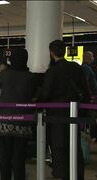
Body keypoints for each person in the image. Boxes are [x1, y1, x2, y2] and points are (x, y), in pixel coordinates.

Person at [41, 40, 90, 180]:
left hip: (56, 116)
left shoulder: (53, 71)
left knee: (59, 146)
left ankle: (63, 174)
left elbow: (46, 94)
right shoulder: (76, 68)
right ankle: (77, 175)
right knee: (75, 145)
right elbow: (85, 91)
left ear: (51, 52)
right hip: (74, 114)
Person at [0, 48, 37, 180]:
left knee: (5, 156)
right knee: (19, 157)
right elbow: (33, 95)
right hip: (22, 120)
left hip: (4, 119)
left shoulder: (5, 74)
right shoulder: (30, 76)